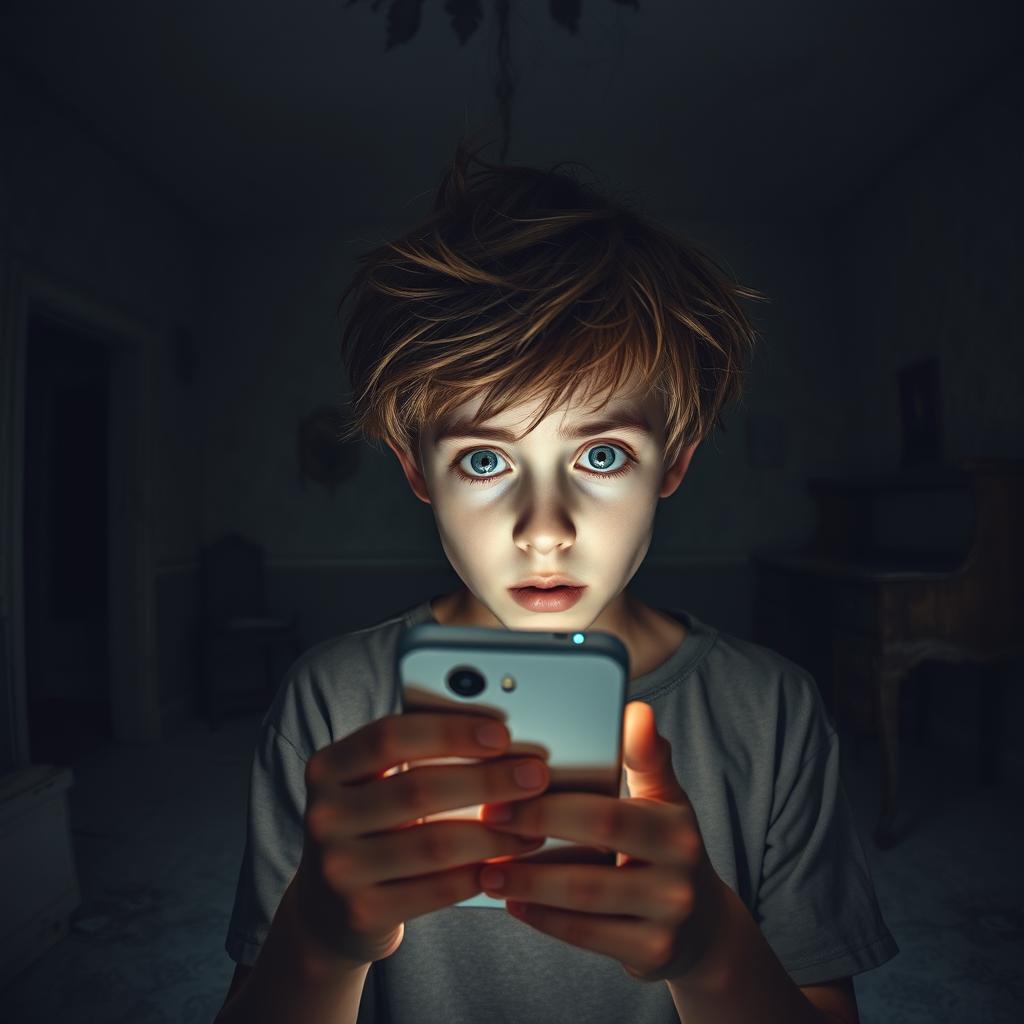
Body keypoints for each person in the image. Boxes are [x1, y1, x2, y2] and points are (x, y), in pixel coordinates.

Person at [216, 140, 898, 1024]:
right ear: (416, 469)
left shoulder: (774, 713)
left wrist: (710, 951)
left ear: (674, 464)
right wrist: (318, 938)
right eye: (487, 457)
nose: (545, 528)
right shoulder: (330, 703)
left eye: (603, 454)